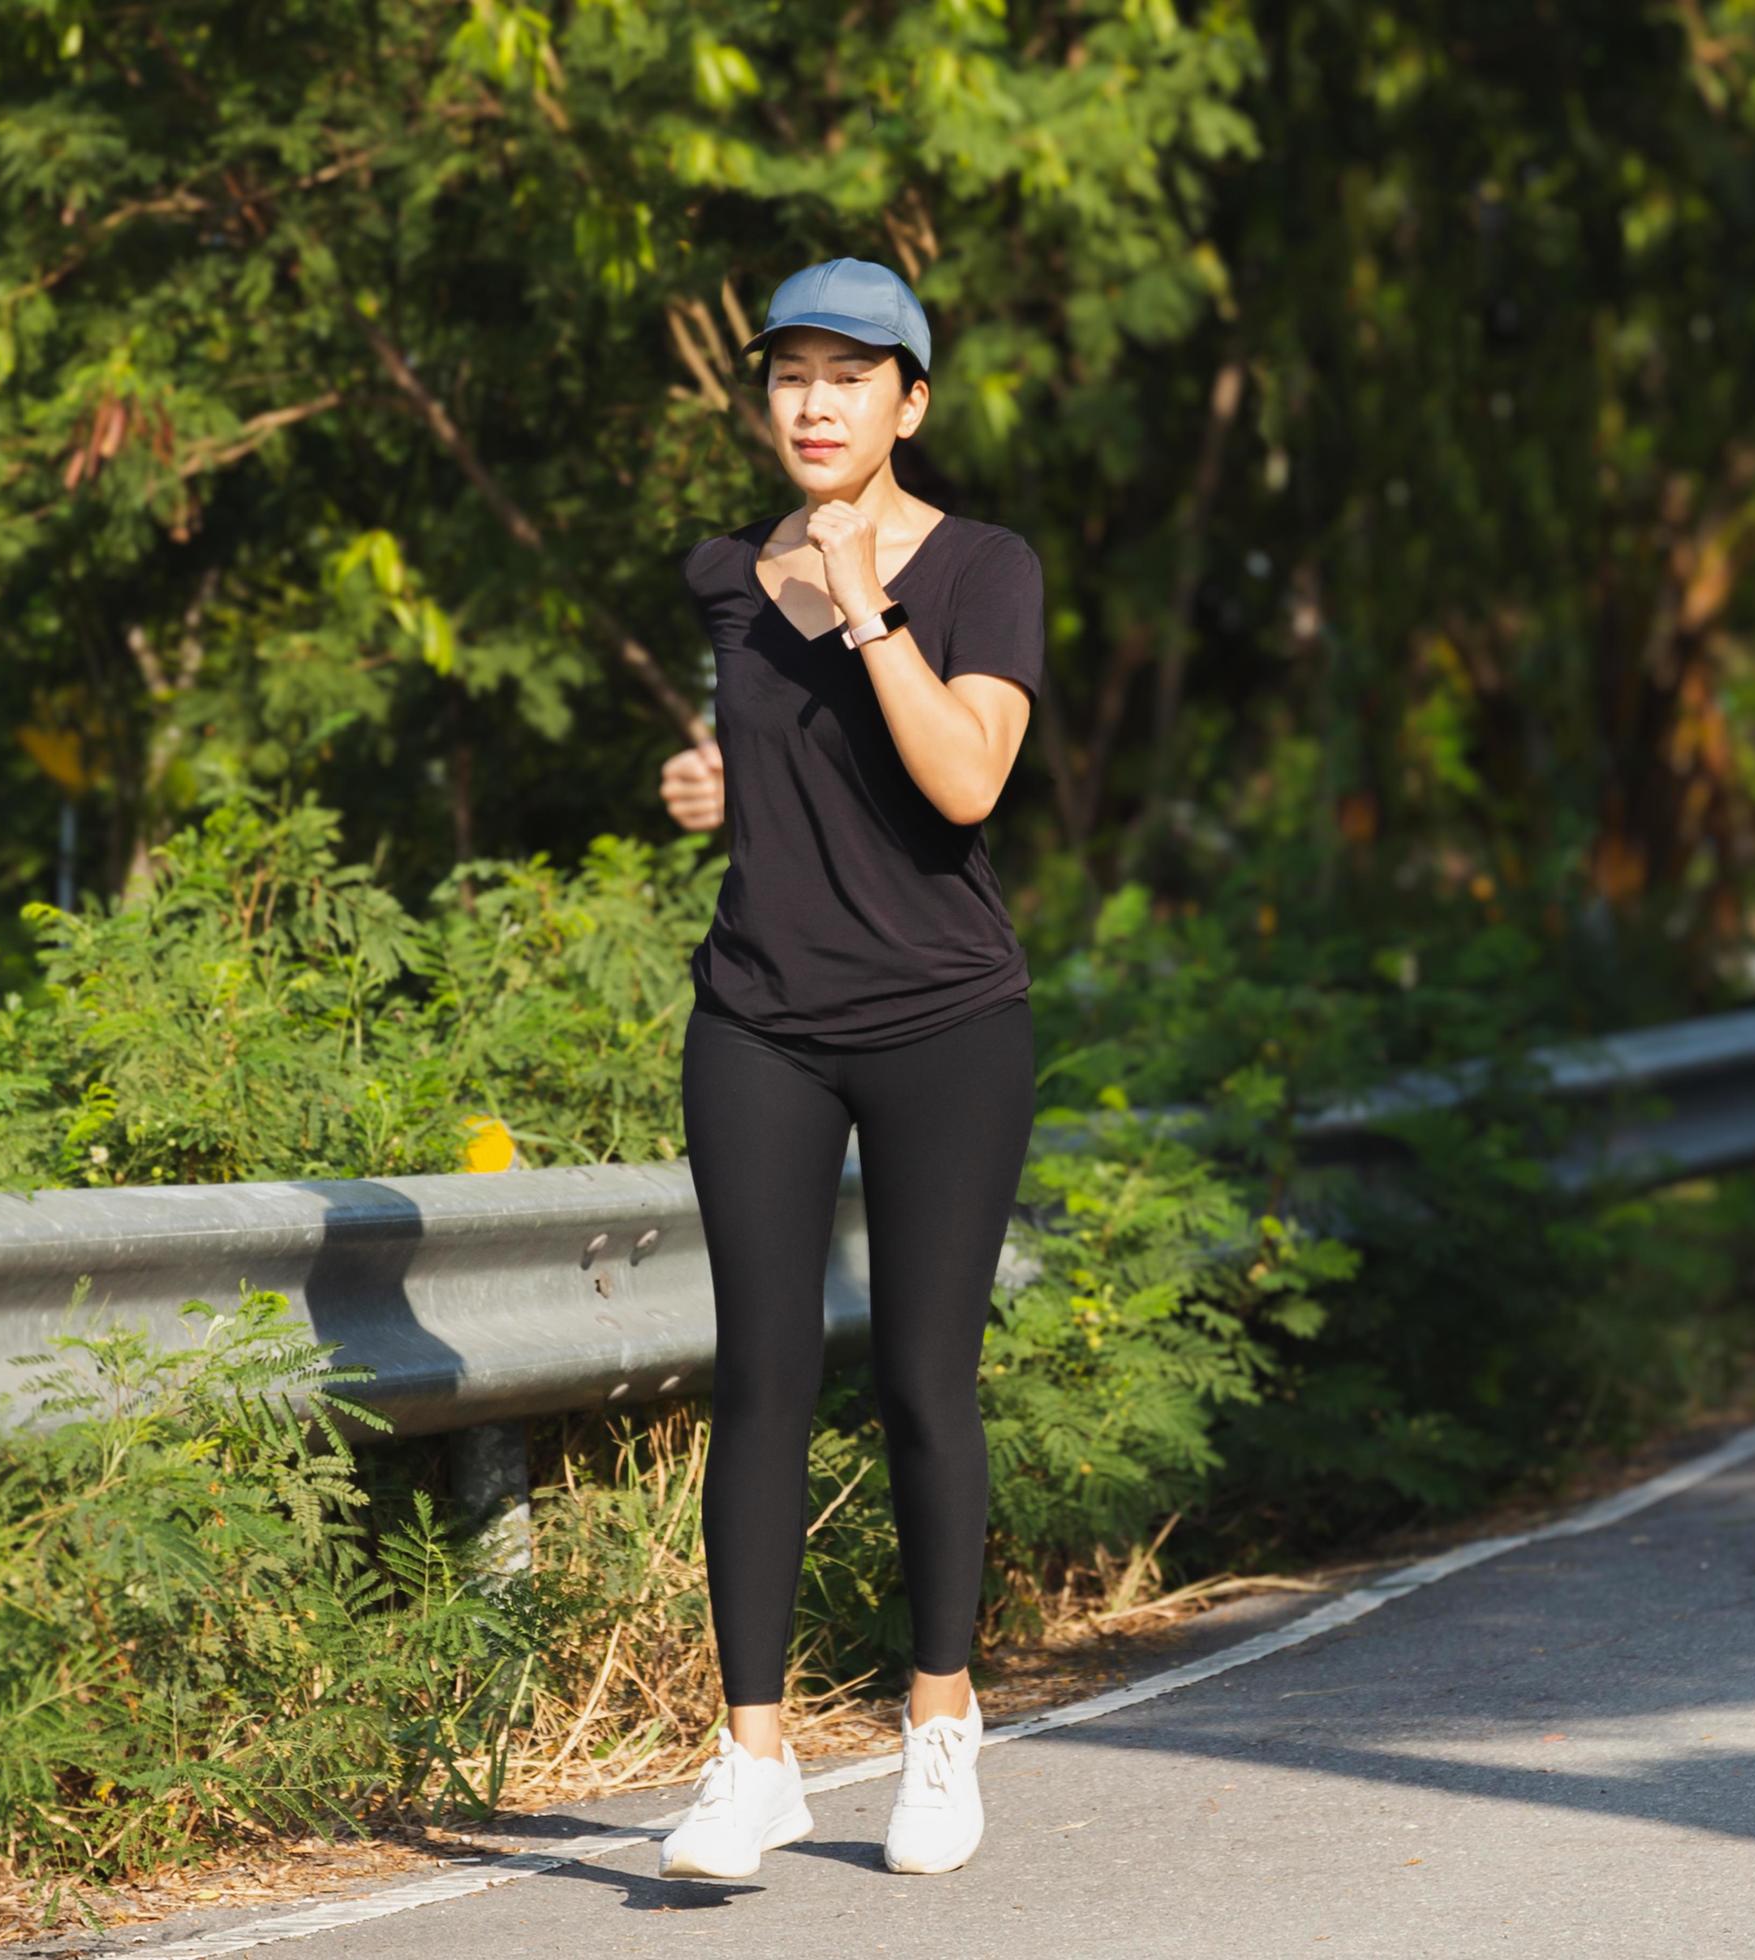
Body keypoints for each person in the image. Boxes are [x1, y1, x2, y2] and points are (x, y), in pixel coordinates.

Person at [651, 258, 1043, 1883]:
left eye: (849, 374)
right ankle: (754, 1765)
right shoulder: (725, 578)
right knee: (760, 1378)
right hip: (760, 1014)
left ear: (911, 402)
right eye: (789, 374)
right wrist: (705, 777)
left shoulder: (983, 569)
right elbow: (774, 764)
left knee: (919, 1381)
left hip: (948, 1018)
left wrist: (862, 599)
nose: (813, 402)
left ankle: (938, 1725)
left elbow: (960, 783)